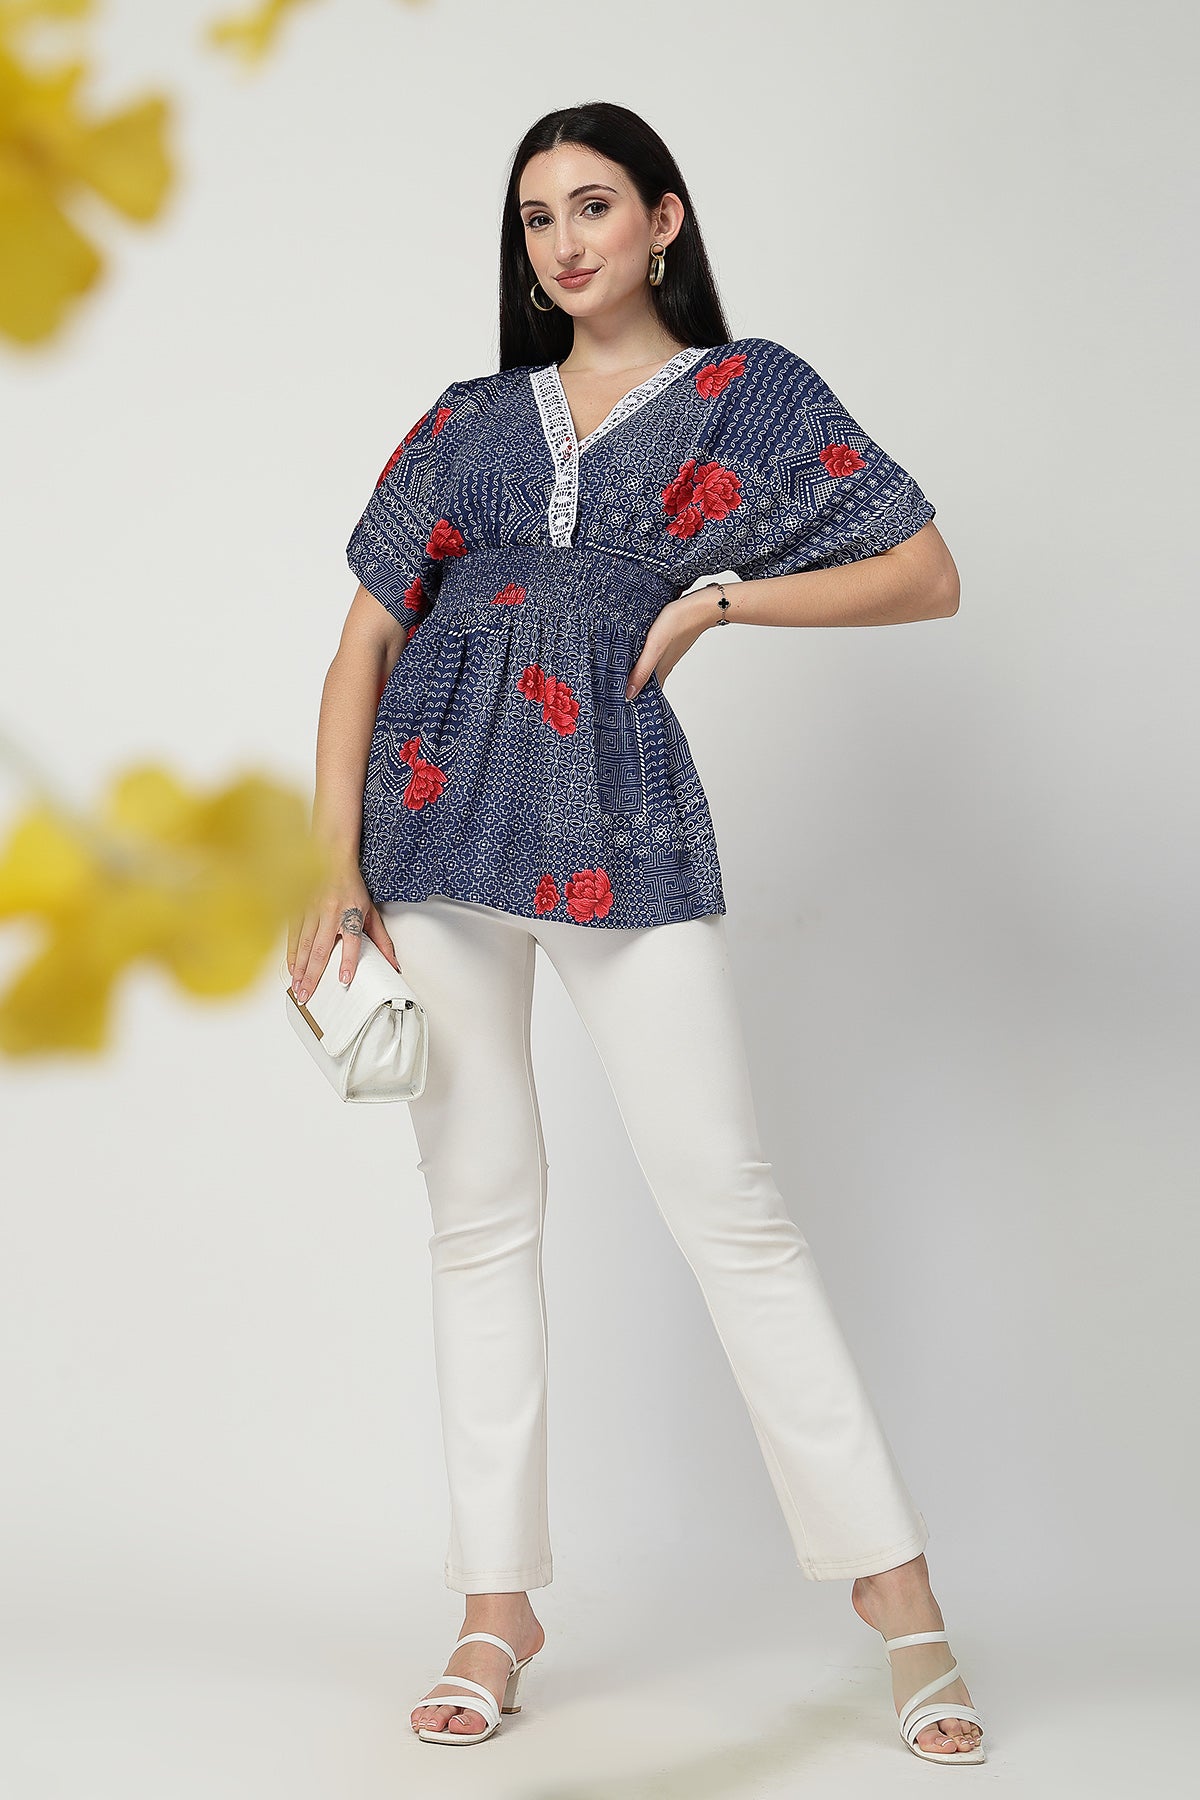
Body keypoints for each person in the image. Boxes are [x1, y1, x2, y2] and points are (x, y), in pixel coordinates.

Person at [287, 101, 985, 1764]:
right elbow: (363, 641)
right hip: (430, 828)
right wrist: (331, 861)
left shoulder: (752, 396)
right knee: (478, 1215)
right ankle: (495, 1606)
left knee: (729, 1205)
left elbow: (925, 571)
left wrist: (722, 596)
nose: (564, 243)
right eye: (537, 219)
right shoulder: (469, 419)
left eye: (593, 206)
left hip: (617, 825)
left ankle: (902, 1599)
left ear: (664, 218)